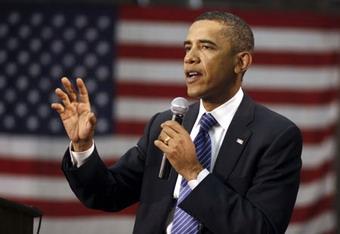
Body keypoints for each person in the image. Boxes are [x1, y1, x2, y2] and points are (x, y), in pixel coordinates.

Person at [51, 11, 302, 234]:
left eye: (206, 47)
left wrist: (194, 172)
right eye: (187, 47)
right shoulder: (164, 124)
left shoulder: (275, 136)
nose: (190, 58)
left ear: (241, 62)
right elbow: (107, 194)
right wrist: (82, 146)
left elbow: (261, 228)